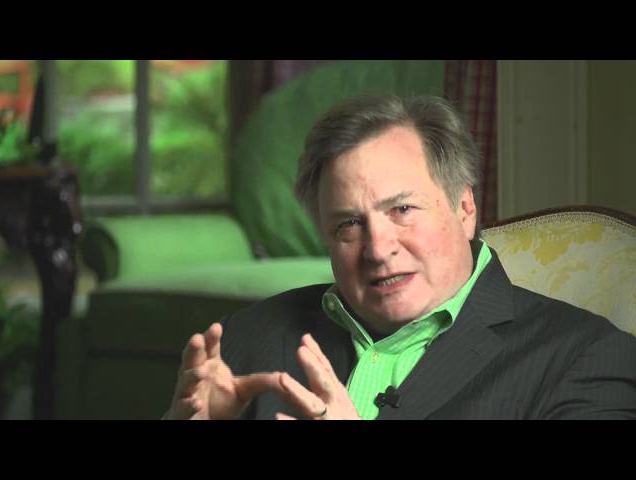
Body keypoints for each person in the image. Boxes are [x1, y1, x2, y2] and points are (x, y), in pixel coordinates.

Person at [164, 94, 636, 420]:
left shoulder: (587, 358)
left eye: (402, 210)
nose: (378, 248)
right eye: (349, 225)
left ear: (465, 208)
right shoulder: (244, 339)